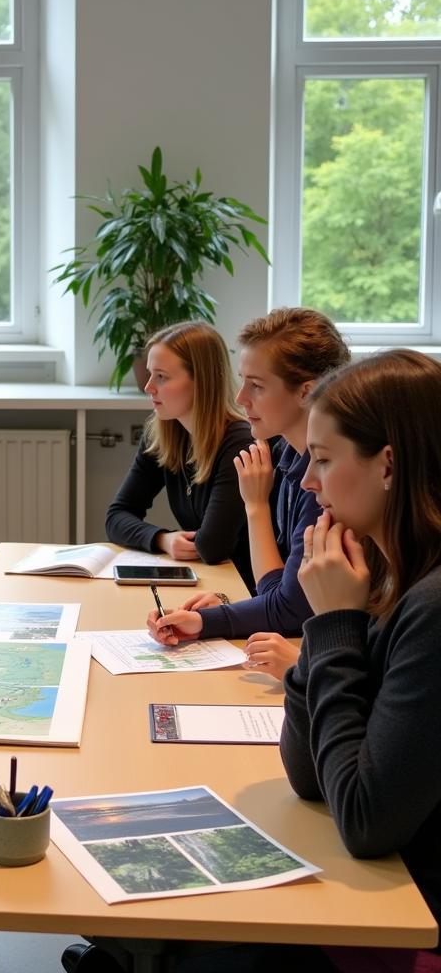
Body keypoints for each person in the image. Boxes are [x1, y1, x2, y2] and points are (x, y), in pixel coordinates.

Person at [280, 350, 441, 972]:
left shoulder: (432, 606)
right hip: (383, 894)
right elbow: (307, 772)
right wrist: (324, 636)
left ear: (389, 465)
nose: (306, 482)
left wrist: (331, 626)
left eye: (322, 459)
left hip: (410, 921)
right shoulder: (384, 572)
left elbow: (365, 820)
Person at [148, 308, 349, 681]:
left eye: (256, 385)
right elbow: (273, 590)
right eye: (242, 382)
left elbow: (289, 609)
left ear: (306, 392)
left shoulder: (325, 480)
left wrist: (208, 620)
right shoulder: (287, 456)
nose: (240, 398)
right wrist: (226, 609)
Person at [105, 322, 254, 588]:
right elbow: (116, 516)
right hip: (208, 582)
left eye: (161, 377)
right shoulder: (163, 434)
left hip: (243, 588)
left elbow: (211, 546)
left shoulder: (239, 441)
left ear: (202, 381)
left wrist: (174, 542)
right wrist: (163, 539)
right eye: (150, 374)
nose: (148, 387)